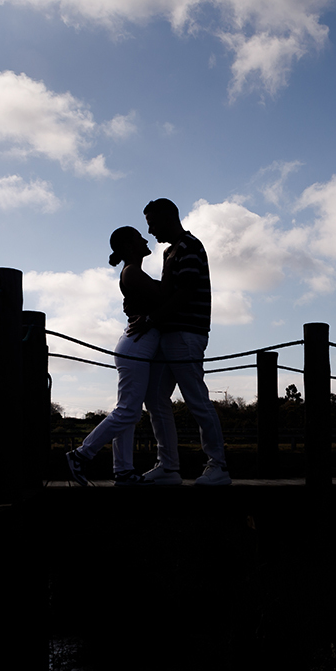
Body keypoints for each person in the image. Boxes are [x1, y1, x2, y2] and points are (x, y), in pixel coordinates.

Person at [136, 198, 231, 486]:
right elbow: (168, 291)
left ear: (168, 218)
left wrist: (151, 319)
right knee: (153, 397)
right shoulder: (169, 253)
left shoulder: (191, 247)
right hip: (170, 334)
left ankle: (219, 467)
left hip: (187, 334)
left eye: (152, 224)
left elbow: (184, 293)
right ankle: (168, 467)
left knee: (196, 400)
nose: (151, 232)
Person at [65, 227, 163, 486]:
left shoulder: (135, 272)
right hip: (137, 346)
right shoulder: (131, 272)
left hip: (136, 345)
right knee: (129, 411)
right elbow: (164, 296)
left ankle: (123, 470)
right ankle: (81, 454)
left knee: (127, 411)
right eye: (139, 237)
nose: (145, 239)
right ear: (130, 246)